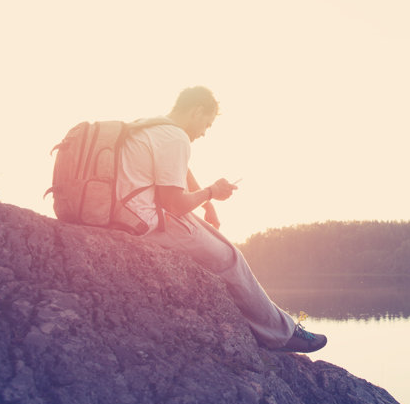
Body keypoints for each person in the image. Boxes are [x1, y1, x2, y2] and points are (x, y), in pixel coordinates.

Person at [116, 86, 327, 353]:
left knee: (216, 240)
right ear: (197, 111)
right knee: (229, 256)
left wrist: (208, 203)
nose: (204, 132)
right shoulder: (175, 137)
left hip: (118, 214)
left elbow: (179, 171)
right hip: (138, 223)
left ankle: (281, 324)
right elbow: (175, 205)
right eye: (207, 124)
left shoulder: (150, 127)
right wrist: (211, 192)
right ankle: (281, 335)